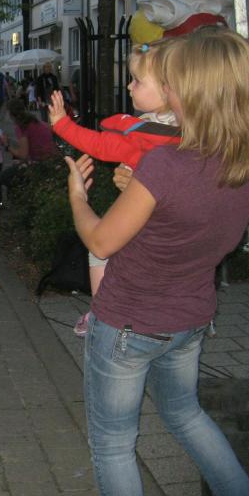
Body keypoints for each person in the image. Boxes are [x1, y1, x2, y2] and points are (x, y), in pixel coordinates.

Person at [62, 27, 249, 496]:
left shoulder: (166, 165)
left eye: (174, 80)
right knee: (186, 415)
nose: (167, 87)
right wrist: (140, 190)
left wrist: (78, 197)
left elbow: (101, 241)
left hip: (129, 324)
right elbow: (190, 220)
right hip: (189, 319)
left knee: (114, 443)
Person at [49, 41, 183, 336]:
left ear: (167, 88)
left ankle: (99, 311)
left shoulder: (144, 134)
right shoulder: (192, 130)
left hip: (140, 218)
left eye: (137, 81)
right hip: (176, 237)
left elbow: (99, 144)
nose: (129, 86)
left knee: (99, 250)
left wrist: (61, 124)